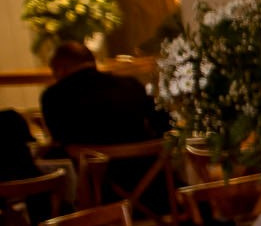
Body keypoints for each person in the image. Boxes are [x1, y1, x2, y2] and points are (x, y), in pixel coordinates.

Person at [39, 41, 168, 149]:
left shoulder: (54, 97)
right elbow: (162, 121)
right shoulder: (129, 85)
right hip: (144, 169)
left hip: (90, 174)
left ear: (60, 68)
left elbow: (60, 141)